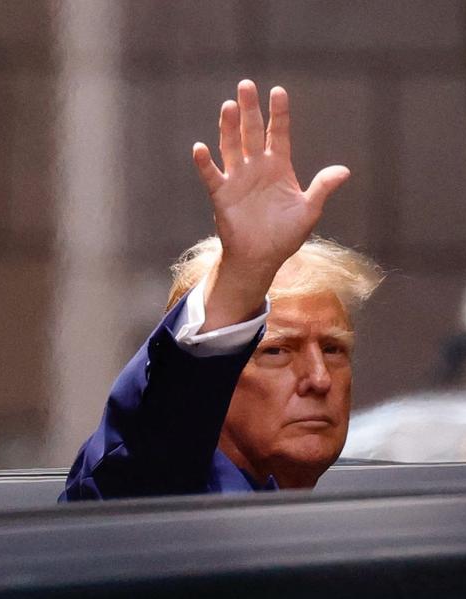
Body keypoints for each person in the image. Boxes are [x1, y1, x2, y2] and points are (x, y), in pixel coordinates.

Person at [60, 79, 382, 500]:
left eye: (333, 349)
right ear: (215, 381)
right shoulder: (156, 492)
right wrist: (243, 274)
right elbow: (149, 444)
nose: (319, 379)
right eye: (277, 351)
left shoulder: (343, 519)